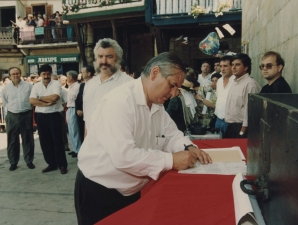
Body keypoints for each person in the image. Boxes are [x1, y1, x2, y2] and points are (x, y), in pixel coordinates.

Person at [75, 52, 212, 224]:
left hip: (129, 191)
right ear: (155, 73)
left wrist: (188, 147)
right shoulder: (119, 102)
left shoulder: (156, 104)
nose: (174, 93)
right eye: (171, 85)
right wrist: (171, 160)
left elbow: (171, 134)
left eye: (177, 88)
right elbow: (124, 156)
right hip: (100, 191)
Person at [83, 38, 132, 134]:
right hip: (92, 145)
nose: (104, 61)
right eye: (100, 56)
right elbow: (87, 120)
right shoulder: (89, 84)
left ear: (117, 59)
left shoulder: (129, 84)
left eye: (109, 57)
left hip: (116, 145)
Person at [29, 64, 68, 174]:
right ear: (40, 75)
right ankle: (52, 164)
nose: (46, 76)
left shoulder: (56, 84)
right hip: (41, 116)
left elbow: (55, 97)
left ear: (51, 74)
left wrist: (39, 98)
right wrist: (45, 104)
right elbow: (31, 101)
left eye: (48, 73)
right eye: (44, 74)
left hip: (54, 115)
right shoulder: (36, 86)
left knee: (57, 141)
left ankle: (62, 165)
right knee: (45, 141)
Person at [2, 67, 35, 171]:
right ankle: (13, 162)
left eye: (17, 73)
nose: (15, 76)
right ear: (10, 76)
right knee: (12, 140)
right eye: (13, 74)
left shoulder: (29, 86)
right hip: (12, 115)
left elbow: (33, 100)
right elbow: (5, 102)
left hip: (26, 115)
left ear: (20, 74)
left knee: (28, 139)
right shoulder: (6, 89)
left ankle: (29, 161)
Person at [224, 53, 261, 138]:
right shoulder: (234, 82)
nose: (233, 67)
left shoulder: (250, 84)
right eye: (232, 64)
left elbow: (250, 110)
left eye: (237, 65)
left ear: (246, 67)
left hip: (242, 128)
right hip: (231, 126)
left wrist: (242, 131)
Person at [213, 56, 235, 136]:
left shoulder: (236, 81)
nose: (222, 69)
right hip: (218, 119)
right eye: (221, 66)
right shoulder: (219, 81)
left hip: (231, 122)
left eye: (225, 66)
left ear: (232, 66)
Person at [75, 66, 95, 143]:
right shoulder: (82, 85)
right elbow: (78, 99)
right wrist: (77, 109)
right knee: (82, 135)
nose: (81, 74)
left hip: (91, 114)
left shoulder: (95, 84)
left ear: (89, 73)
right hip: (81, 114)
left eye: (82, 72)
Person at [51, 74, 70, 152]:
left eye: (56, 80)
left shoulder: (62, 90)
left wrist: (62, 109)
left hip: (59, 112)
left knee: (62, 130)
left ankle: (65, 145)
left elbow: (66, 101)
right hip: (49, 112)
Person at [65, 70, 82, 158]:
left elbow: (75, 98)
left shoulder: (77, 86)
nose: (66, 78)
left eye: (67, 76)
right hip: (69, 108)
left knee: (75, 130)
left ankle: (78, 149)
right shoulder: (71, 86)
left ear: (71, 77)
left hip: (73, 108)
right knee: (70, 130)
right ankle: (75, 148)